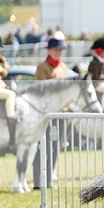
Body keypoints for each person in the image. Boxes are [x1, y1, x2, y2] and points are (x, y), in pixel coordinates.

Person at [33, 37, 69, 188]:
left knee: (55, 147)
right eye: (55, 50)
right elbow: (42, 91)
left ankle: (48, 179)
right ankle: (37, 181)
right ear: (49, 50)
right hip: (46, 114)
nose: (58, 53)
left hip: (60, 113)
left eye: (60, 50)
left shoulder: (63, 67)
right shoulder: (42, 67)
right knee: (44, 147)